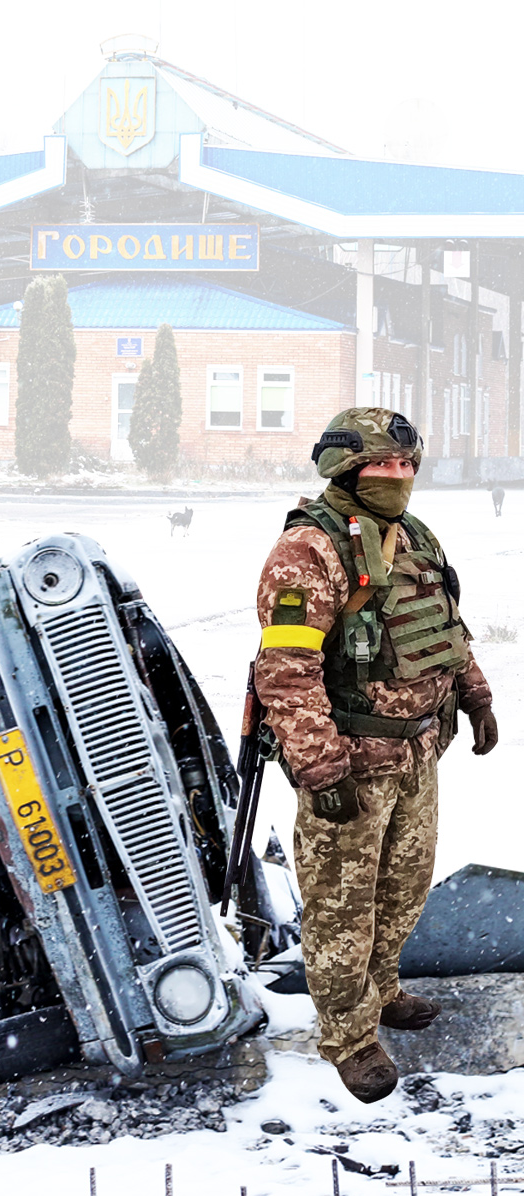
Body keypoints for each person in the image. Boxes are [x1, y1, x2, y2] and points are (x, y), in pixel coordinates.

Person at [254, 407, 497, 1104]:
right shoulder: (308, 550)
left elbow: (447, 627)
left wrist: (475, 695)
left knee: (402, 890)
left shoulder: (413, 535)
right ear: (345, 469)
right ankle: (348, 1038)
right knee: (341, 907)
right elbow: (287, 672)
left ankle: (382, 991)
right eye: (382, 465)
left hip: (418, 751)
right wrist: (321, 767)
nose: (398, 476)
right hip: (352, 762)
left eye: (406, 465)